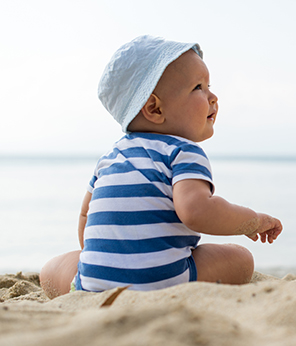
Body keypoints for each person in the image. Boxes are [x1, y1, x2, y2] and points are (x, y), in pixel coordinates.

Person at [40, 35, 283, 298]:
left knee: (51, 269)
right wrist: (252, 221)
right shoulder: (183, 151)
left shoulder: (111, 157)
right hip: (166, 282)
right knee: (241, 258)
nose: (213, 97)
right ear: (155, 108)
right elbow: (197, 211)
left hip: (95, 284)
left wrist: (109, 262)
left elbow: (86, 216)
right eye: (198, 87)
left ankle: (89, 281)